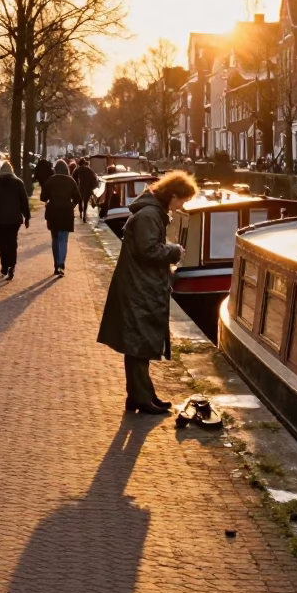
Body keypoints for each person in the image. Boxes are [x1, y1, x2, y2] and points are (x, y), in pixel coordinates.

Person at [97, 170, 198, 414]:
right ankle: (141, 398)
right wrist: (174, 252)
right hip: (139, 287)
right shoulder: (150, 215)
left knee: (138, 342)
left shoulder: (151, 212)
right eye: (182, 200)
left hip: (139, 284)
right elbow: (148, 250)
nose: (181, 206)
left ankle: (142, 394)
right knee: (138, 343)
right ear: (173, 195)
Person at [0, 160, 30, 280]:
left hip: (0, 219)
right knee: (12, 242)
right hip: (14, 219)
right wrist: (27, 217)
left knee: (2, 242)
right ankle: (12, 266)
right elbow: (24, 201)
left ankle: (4, 265)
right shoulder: (18, 183)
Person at [40, 159, 80, 276]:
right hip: (66, 212)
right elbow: (77, 197)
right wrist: (72, 205)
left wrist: (48, 201)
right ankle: (61, 264)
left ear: (55, 169)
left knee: (55, 239)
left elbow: (43, 197)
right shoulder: (71, 181)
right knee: (64, 240)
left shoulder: (51, 180)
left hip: (53, 211)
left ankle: (56, 264)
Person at [74, 157, 99, 222]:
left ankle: (80, 214)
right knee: (85, 202)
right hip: (87, 188)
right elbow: (94, 178)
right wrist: (92, 187)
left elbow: (73, 178)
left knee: (80, 201)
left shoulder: (77, 170)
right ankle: (84, 214)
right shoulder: (89, 170)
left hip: (79, 188)